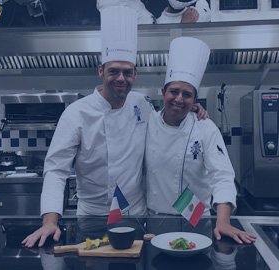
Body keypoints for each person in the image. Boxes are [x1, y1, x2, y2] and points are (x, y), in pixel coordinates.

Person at [22, 6, 207, 248]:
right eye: (114, 71)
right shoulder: (75, 114)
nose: (121, 78)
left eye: (127, 72)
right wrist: (49, 221)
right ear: (101, 71)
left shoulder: (141, 104)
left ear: (135, 74)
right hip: (92, 219)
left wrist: (188, 108)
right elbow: (56, 170)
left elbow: (166, 125)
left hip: (136, 216)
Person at [144, 36, 256, 244]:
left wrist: (223, 221)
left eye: (187, 95)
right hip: (154, 221)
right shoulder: (147, 123)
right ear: (163, 93)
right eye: (174, 91)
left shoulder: (205, 127)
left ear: (195, 100)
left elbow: (222, 176)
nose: (179, 99)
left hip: (196, 221)